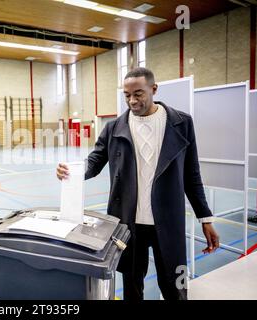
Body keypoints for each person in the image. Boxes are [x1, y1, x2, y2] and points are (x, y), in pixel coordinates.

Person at [56, 67, 220, 300]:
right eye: (127, 95)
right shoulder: (113, 128)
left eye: (139, 94)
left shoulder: (182, 123)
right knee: (132, 287)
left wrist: (206, 219)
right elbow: (94, 161)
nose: (132, 100)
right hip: (128, 224)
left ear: (154, 89)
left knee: (175, 286)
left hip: (167, 221)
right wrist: (71, 171)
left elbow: (192, 176)